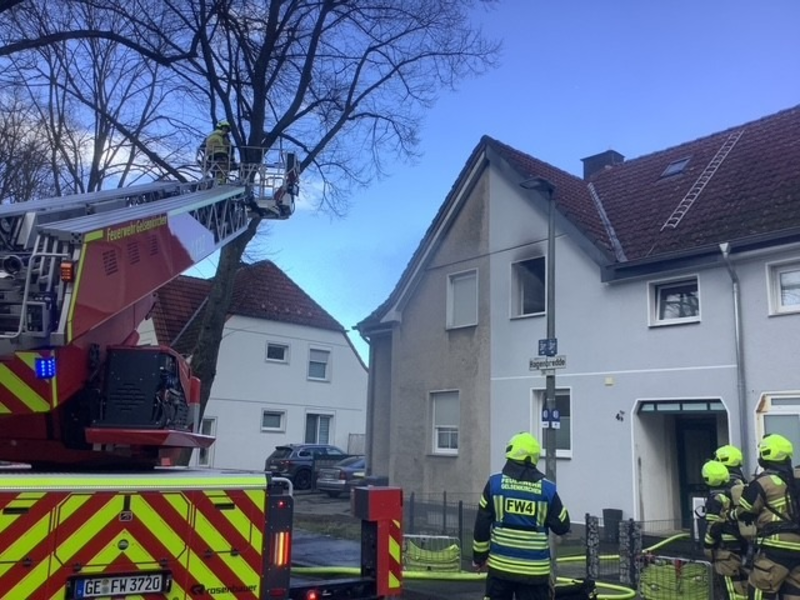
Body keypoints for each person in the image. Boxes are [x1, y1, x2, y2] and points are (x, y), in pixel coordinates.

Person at [472, 432, 570, 600]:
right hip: (534, 572)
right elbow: (562, 526)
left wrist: (479, 558)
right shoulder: (547, 489)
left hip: (500, 569)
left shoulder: (494, 484)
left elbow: (482, 525)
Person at [736, 434, 800, 599]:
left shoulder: (764, 482)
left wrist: (732, 513)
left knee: (759, 590)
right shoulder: (796, 479)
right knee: (793, 594)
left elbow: (745, 511)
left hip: (775, 550)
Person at [701, 459, 748, 599]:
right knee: (743, 585)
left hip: (725, 551)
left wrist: (708, 547)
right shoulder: (736, 492)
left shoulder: (715, 498)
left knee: (730, 589)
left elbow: (714, 526)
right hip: (742, 545)